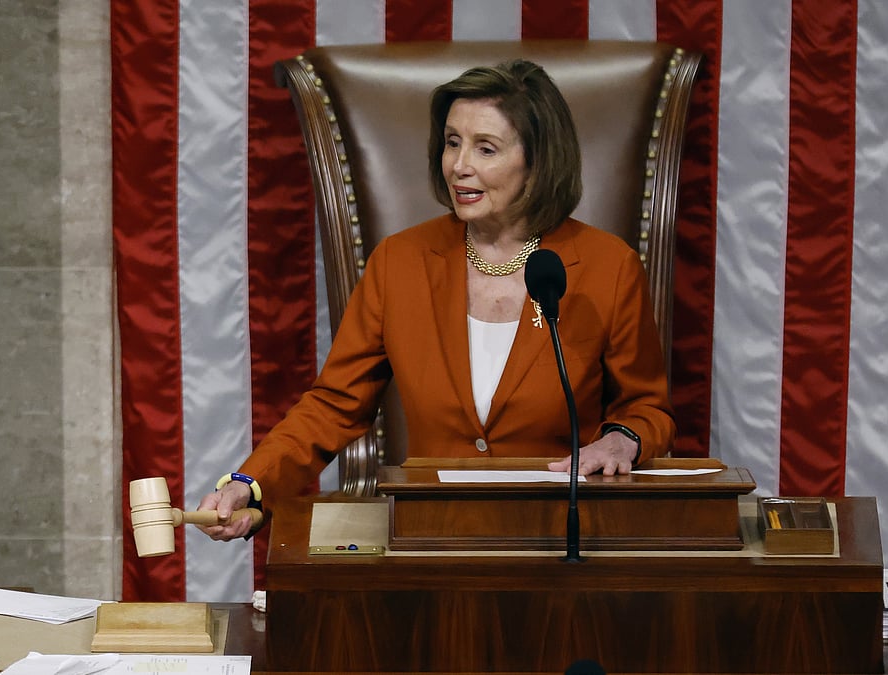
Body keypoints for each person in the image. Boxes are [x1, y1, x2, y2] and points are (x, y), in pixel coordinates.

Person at [198, 59, 675, 541]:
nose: (459, 165)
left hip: (561, 535)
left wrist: (622, 441)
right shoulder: (400, 262)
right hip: (431, 534)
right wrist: (250, 484)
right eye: (452, 142)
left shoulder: (607, 267)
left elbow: (647, 408)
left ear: (538, 161)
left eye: (485, 148)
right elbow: (334, 404)